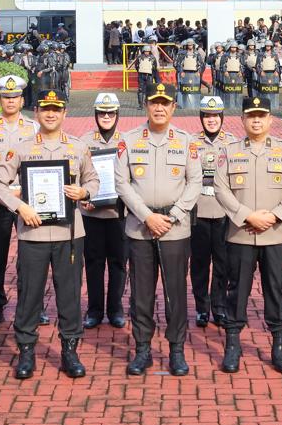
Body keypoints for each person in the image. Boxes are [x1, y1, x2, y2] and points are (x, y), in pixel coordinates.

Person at [0, 89, 99, 379]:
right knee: (29, 294)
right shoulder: (22, 148)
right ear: (37, 112)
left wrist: (84, 192)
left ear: (64, 113)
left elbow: (93, 179)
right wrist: (19, 207)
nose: (51, 114)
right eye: (45, 109)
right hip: (33, 232)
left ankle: (69, 350)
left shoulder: (78, 147)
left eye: (56, 109)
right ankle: (26, 350)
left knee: (69, 293)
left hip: (69, 233)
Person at [212, 96, 282, 373]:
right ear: (242, 119)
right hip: (240, 234)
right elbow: (220, 188)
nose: (256, 120)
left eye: (261, 115)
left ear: (270, 119)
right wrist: (246, 215)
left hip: (275, 234)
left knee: (276, 290)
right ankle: (233, 344)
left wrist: (275, 216)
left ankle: (279, 345)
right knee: (236, 290)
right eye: (251, 116)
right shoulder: (229, 151)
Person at [114, 82, 203, 377]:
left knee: (175, 292)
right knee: (141, 294)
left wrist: (174, 215)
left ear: (174, 107)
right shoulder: (129, 140)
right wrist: (146, 216)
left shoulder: (186, 142)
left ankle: (176, 349)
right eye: (155, 102)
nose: (160, 108)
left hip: (175, 229)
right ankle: (142, 349)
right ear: (146, 105)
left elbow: (195, 182)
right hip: (140, 228)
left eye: (165, 103)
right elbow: (121, 183)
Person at [0, 75, 41, 327]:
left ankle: (32, 306)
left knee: (30, 256)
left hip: (27, 201)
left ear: (22, 100)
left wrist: (22, 191)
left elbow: (40, 164)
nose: (11, 101)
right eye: (6, 97)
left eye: (15, 97)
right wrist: (0, 193)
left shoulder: (34, 129)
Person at [78, 92, 128, 329]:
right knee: (94, 262)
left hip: (119, 214)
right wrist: (83, 197)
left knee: (118, 262)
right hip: (92, 213)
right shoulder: (84, 142)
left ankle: (116, 309)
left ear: (117, 114)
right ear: (95, 114)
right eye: (102, 113)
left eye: (110, 113)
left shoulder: (126, 141)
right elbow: (78, 175)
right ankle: (94, 310)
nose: (106, 117)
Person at [190, 95, 239, 327]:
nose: (211, 120)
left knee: (223, 261)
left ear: (222, 117)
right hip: (199, 210)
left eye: (216, 116)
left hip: (223, 211)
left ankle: (219, 307)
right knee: (199, 262)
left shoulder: (232, 143)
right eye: (207, 116)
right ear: (201, 118)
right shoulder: (191, 143)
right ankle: (202, 308)